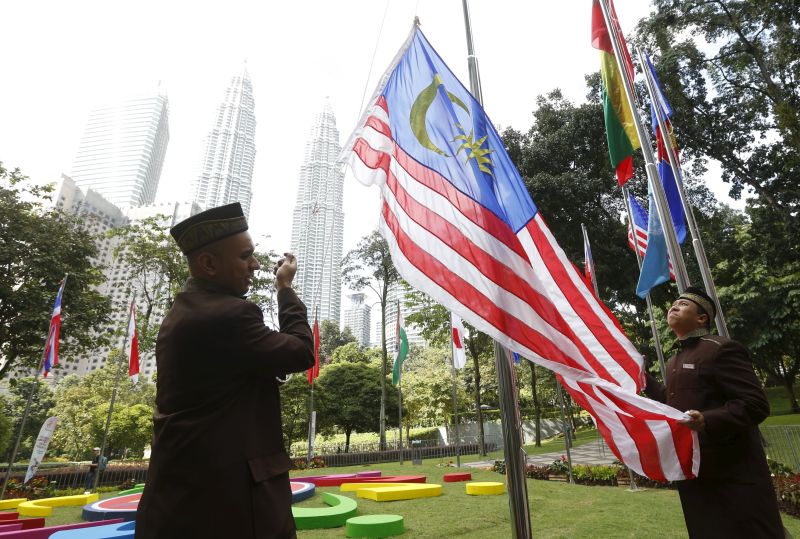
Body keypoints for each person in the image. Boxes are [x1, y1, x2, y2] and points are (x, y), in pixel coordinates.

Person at [135, 202, 314, 538]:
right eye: (245, 256)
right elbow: (302, 352)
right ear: (208, 264)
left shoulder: (183, 312)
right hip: (228, 505)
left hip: (184, 503)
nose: (256, 264)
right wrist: (285, 289)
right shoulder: (230, 316)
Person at [644, 287, 784, 538]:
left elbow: (755, 404)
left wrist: (707, 419)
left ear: (702, 318)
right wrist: (640, 374)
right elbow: (669, 401)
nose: (674, 307)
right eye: (674, 303)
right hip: (697, 472)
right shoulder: (674, 361)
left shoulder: (721, 348)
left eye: (683, 304)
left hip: (734, 473)